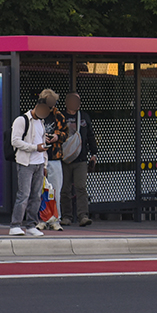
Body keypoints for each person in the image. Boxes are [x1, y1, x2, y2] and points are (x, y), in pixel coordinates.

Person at [9, 90, 58, 237]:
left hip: (38, 163)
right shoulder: (22, 120)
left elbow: (41, 144)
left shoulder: (41, 122)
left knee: (36, 195)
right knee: (24, 194)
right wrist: (34, 148)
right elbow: (15, 141)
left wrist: (44, 164)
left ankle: (31, 225)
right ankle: (15, 225)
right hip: (25, 163)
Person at [59, 92, 97, 227]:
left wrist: (94, 154)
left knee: (81, 187)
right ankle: (67, 216)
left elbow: (90, 136)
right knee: (65, 189)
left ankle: (83, 216)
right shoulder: (60, 117)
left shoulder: (84, 117)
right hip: (64, 159)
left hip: (81, 158)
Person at [39, 98, 69, 230]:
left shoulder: (59, 116)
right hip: (40, 157)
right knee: (40, 190)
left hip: (55, 156)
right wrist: (41, 137)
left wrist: (57, 137)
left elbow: (66, 133)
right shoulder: (36, 117)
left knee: (55, 190)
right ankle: (42, 218)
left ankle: (56, 218)